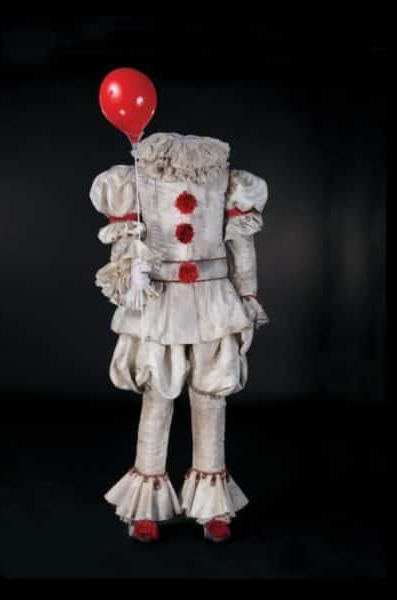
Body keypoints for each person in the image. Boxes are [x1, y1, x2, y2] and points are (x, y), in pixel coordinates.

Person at [92, 132, 269, 543]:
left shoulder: (226, 179)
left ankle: (212, 507)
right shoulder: (138, 176)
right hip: (161, 298)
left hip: (212, 298)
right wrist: (128, 274)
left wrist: (247, 299)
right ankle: (146, 507)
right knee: (158, 396)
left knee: (210, 397)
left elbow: (242, 244)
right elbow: (126, 240)